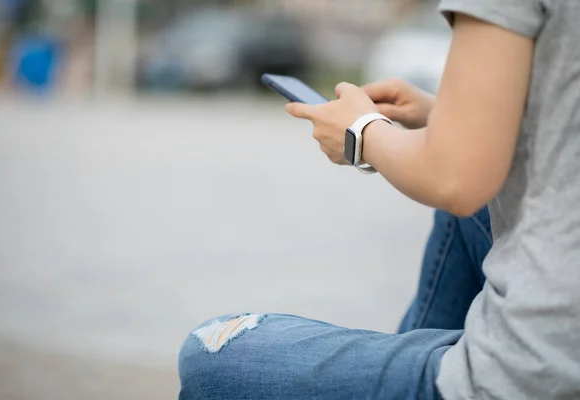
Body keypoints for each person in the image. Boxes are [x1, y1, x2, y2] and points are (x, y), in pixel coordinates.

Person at [178, 0, 580, 398]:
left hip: (546, 368)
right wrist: (446, 115)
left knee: (212, 352)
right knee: (470, 216)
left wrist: (361, 133)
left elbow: (454, 180)